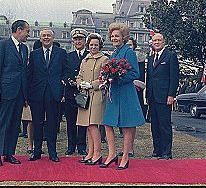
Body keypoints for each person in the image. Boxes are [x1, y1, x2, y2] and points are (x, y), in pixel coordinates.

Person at [100, 23, 145, 170]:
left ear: (123, 37)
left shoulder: (129, 52)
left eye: (117, 36)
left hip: (126, 93)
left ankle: (125, 157)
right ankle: (112, 154)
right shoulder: (114, 53)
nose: (114, 38)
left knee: (126, 126)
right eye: (112, 36)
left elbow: (134, 74)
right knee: (107, 123)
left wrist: (117, 77)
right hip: (114, 94)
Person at [0, 20, 30, 166]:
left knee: (14, 124)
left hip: (19, 93)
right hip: (5, 91)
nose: (28, 34)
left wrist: (26, 95)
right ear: (19, 30)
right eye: (27, 31)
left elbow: (24, 72)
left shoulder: (25, 49)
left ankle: (9, 154)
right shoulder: (3, 45)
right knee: (2, 123)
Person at [27, 28, 69, 163]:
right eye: (43, 36)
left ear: (53, 38)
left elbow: (66, 71)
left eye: (48, 36)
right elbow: (30, 74)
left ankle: (52, 152)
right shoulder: (34, 54)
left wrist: (61, 86)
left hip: (54, 93)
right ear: (40, 38)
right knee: (37, 123)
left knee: (52, 124)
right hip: (37, 94)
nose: (46, 38)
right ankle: (36, 151)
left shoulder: (61, 53)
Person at [75, 33, 108, 165]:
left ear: (100, 45)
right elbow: (79, 75)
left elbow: (104, 77)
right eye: (91, 44)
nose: (93, 47)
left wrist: (92, 84)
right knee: (88, 126)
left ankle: (97, 154)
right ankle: (90, 152)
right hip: (85, 96)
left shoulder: (104, 59)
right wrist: (80, 83)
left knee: (93, 125)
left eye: (96, 44)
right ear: (88, 45)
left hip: (97, 95)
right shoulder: (85, 60)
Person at [146, 33, 179, 160]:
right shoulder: (151, 57)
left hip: (165, 97)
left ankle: (166, 152)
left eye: (159, 40)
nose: (157, 42)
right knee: (154, 125)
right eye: (154, 40)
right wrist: (147, 95)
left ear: (164, 41)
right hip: (152, 97)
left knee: (164, 125)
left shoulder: (170, 56)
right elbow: (149, 78)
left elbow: (174, 77)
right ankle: (157, 150)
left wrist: (171, 95)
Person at [63, 28, 89, 156]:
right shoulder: (68, 56)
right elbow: (64, 72)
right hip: (71, 92)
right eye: (76, 39)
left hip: (85, 92)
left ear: (85, 40)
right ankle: (71, 145)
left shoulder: (89, 55)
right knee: (71, 120)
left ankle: (82, 146)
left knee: (83, 121)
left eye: (80, 39)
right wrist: (69, 81)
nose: (78, 41)